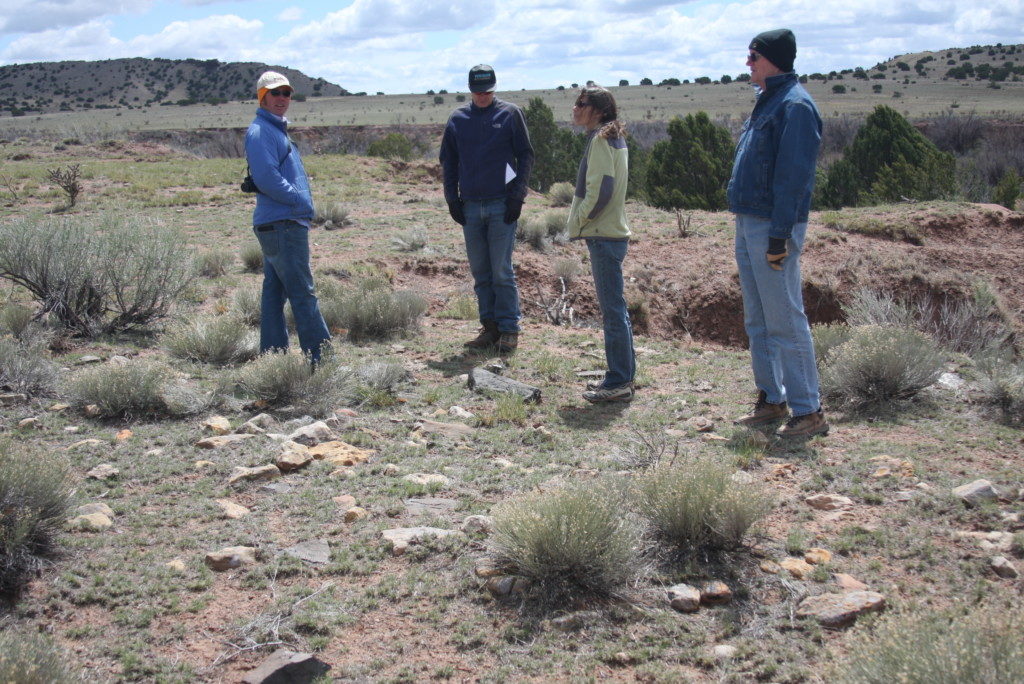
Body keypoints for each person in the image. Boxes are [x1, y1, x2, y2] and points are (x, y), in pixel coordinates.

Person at [727, 29, 828, 438]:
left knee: (785, 318)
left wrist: (779, 236)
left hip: (772, 226)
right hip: (749, 221)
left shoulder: (796, 106)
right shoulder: (767, 100)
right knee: (758, 318)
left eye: (753, 56)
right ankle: (772, 399)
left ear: (772, 58)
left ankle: (808, 411)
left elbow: (794, 178)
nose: (747, 63)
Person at [439, 64, 534, 355]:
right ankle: (489, 328)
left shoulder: (509, 114)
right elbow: (449, 163)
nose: (483, 96)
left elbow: (525, 155)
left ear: (495, 88)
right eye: (478, 91)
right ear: (470, 90)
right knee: (481, 272)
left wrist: (517, 195)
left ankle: (509, 329)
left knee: (502, 271)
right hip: (470, 206)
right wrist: (452, 199)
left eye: (488, 91)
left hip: (501, 203)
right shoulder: (458, 119)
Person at [245, 71, 331, 364]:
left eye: (286, 93)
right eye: (275, 93)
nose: (282, 98)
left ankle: (273, 359)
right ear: (262, 97)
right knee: (303, 293)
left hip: (278, 223)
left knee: (273, 294)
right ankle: (321, 359)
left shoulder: (273, 130)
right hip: (283, 223)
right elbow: (267, 178)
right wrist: (298, 200)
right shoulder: (261, 131)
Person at [566, 86, 635, 403]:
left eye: (581, 104)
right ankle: (622, 376)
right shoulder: (612, 137)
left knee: (612, 312)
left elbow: (601, 190)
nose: (575, 109)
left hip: (604, 235)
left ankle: (619, 381)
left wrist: (578, 222)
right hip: (610, 234)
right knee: (616, 310)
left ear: (598, 110)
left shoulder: (600, 140)